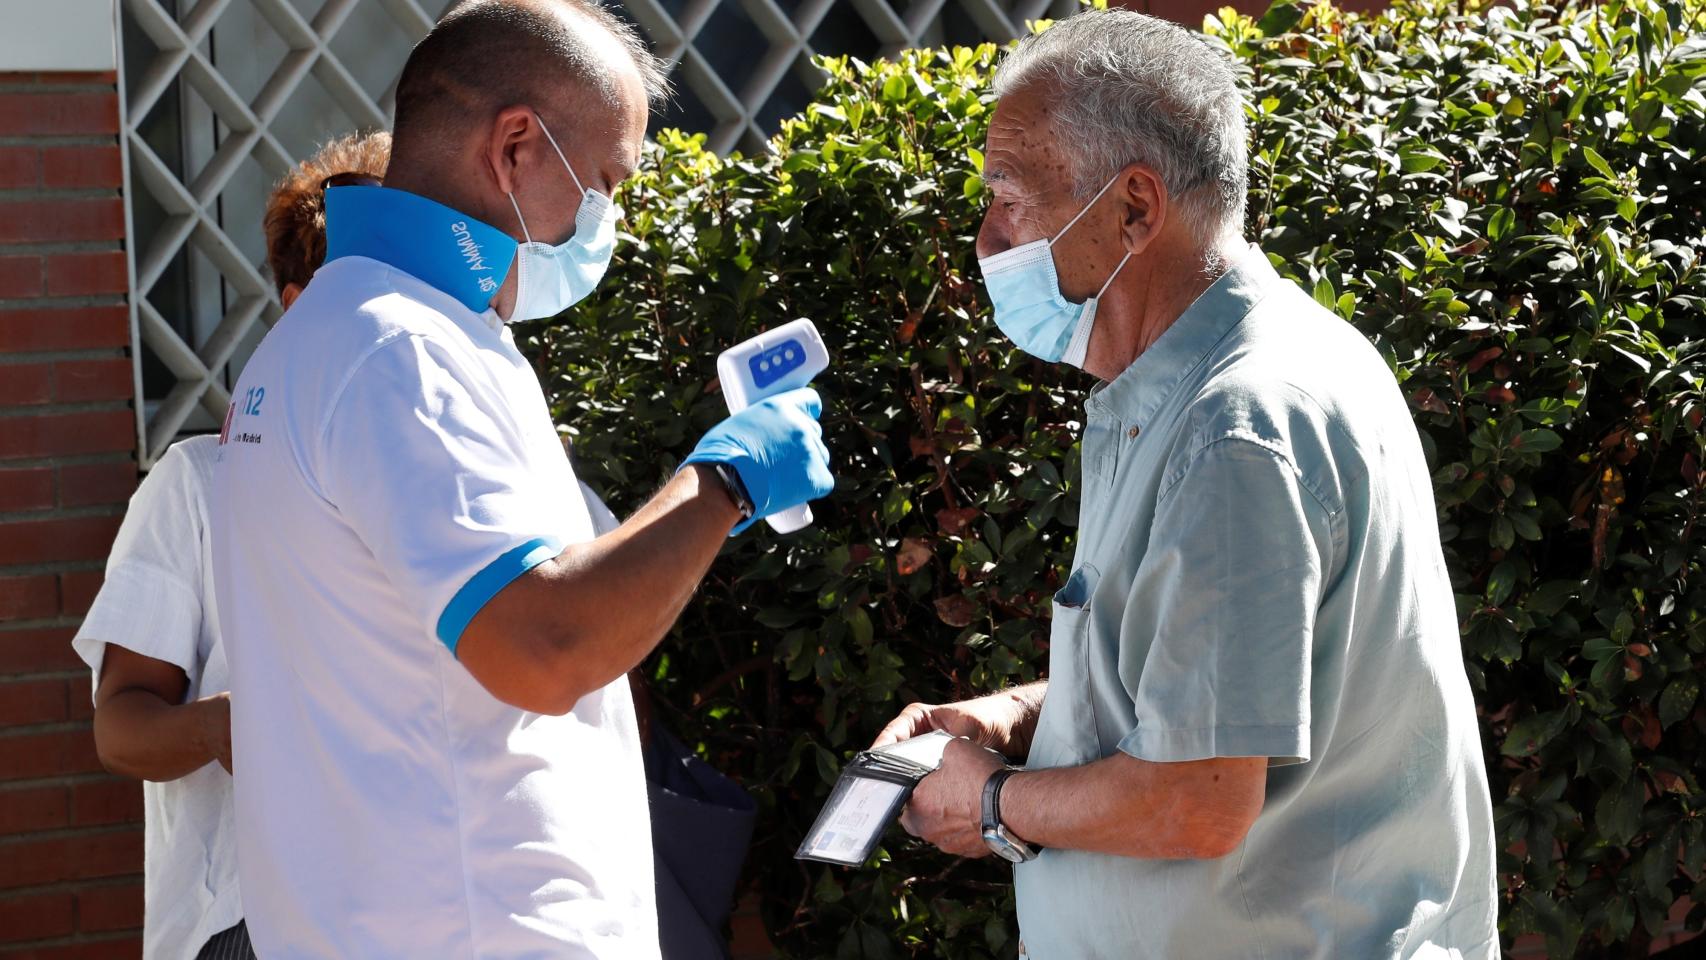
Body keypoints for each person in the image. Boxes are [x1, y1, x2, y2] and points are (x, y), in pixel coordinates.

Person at [209, 1, 834, 956]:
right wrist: (725, 481)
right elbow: (542, 643)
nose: (608, 220)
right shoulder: (403, 352)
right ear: (516, 147)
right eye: (607, 182)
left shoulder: (338, 332)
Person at [873, 10, 1499, 959]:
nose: (986, 240)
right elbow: (1222, 682)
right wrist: (1017, 717)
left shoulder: (1234, 426)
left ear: (1134, 208)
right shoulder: (1231, 376)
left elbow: (1198, 797)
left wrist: (991, 802)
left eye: (1009, 197)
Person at [70, 130, 390, 960]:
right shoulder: (199, 485)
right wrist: (227, 729)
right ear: (297, 307)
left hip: (431, 902)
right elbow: (121, 727)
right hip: (253, 920)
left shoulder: (473, 475)